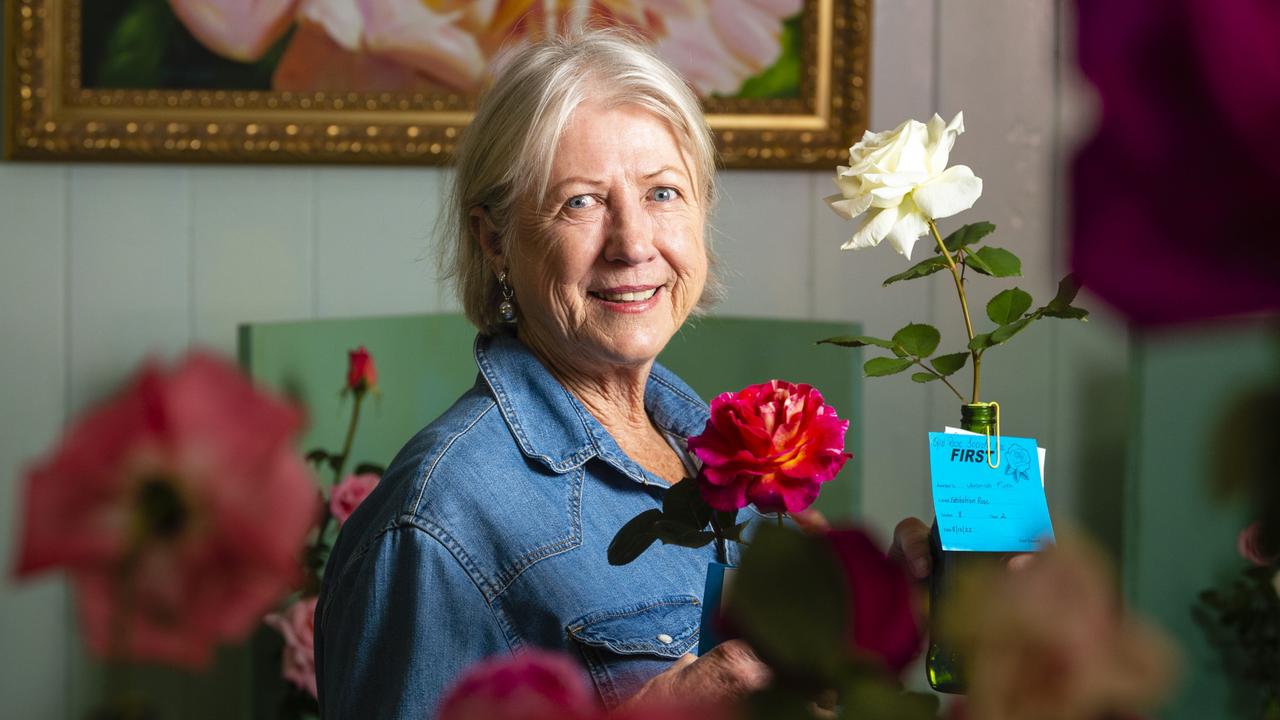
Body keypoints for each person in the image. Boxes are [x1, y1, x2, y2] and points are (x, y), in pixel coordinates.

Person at [315, 29, 932, 719]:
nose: (634, 244)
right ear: (494, 240)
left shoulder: (722, 460)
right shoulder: (433, 521)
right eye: (581, 201)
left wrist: (900, 608)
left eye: (663, 193)